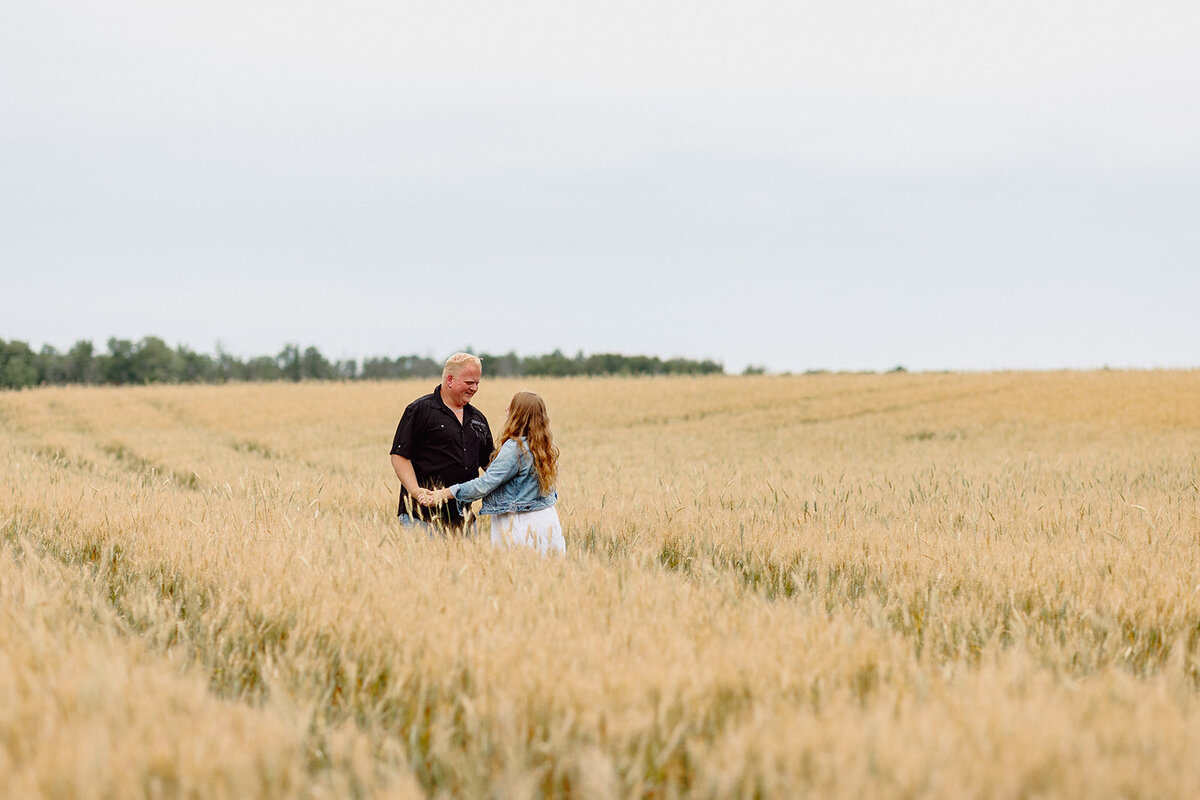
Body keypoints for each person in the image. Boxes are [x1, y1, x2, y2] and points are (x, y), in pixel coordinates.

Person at [421, 390, 564, 555]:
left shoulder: (515, 448)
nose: (506, 411)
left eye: (511, 408)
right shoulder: (544, 447)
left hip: (519, 524)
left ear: (519, 414)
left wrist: (444, 493)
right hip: (547, 523)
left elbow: (485, 484)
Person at [390, 353, 493, 533]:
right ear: (450, 379)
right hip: (421, 519)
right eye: (469, 383)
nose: (474, 388)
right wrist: (416, 491)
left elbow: (491, 465)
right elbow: (399, 456)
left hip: (464, 520)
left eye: (477, 383)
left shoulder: (478, 419)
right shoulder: (420, 410)